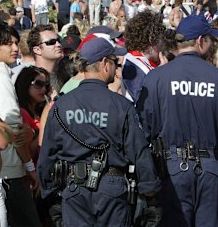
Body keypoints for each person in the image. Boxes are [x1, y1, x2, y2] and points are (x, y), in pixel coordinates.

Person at [38, 37, 161, 226]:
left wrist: (50, 194)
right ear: (104, 63)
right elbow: (139, 151)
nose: (116, 67)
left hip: (74, 189)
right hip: (111, 189)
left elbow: (48, 154)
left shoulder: (61, 104)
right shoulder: (121, 105)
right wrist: (150, 195)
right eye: (115, 62)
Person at [137, 15, 218, 226]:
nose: (213, 44)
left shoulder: (156, 78)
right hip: (210, 170)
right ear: (200, 41)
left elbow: (143, 128)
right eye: (211, 39)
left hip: (171, 170)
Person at [0, 24, 41, 227]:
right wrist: (30, 167)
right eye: (9, 44)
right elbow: (15, 130)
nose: (15, 48)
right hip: (10, 172)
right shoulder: (0, 77)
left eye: (16, 42)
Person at [122, 11, 165, 103]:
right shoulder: (136, 65)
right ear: (151, 39)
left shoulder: (137, 60)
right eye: (161, 39)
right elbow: (143, 102)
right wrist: (162, 74)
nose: (163, 44)